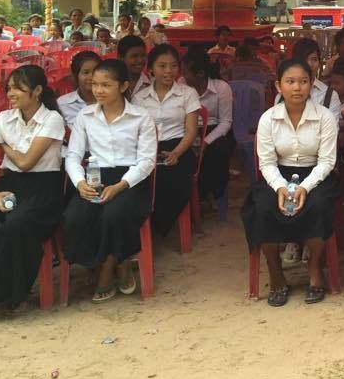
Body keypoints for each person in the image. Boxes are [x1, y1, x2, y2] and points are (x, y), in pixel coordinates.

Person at [241, 59, 339, 306]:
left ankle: (314, 268)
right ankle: (276, 275)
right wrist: (281, 187)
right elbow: (266, 162)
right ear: (278, 86)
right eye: (290, 81)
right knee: (262, 207)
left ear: (311, 85)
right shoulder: (268, 119)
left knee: (318, 205)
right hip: (278, 174)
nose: (297, 87)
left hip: (316, 174)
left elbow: (327, 161)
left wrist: (305, 187)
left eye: (303, 81)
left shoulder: (325, 117)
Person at [62, 60, 157, 302]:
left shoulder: (141, 117)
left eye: (106, 85)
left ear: (123, 86)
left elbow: (147, 161)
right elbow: (73, 156)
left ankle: (108, 270)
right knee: (75, 216)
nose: (98, 90)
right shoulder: (85, 116)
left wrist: (120, 186)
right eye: (95, 84)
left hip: (131, 179)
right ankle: (115, 263)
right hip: (95, 176)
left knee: (114, 215)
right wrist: (80, 183)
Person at [0, 65, 65, 309]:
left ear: (37, 91)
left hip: (43, 190)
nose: (11, 93)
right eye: (9, 88)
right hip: (9, 185)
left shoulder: (52, 119)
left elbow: (26, 163)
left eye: (18, 88)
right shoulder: (4, 118)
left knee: (18, 224)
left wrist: (3, 145)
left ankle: (7, 295)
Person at [132, 45, 200, 236]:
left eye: (173, 66)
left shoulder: (188, 93)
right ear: (151, 69)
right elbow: (135, 131)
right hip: (148, 147)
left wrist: (177, 153)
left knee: (172, 179)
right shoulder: (140, 97)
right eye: (162, 66)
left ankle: (159, 225)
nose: (168, 71)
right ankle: (145, 223)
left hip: (178, 145)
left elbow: (191, 131)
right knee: (139, 178)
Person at [181, 52, 234, 204]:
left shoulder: (221, 87)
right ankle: (191, 195)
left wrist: (205, 141)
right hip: (188, 127)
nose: (182, 76)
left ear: (200, 74)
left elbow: (226, 122)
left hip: (215, 129)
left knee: (217, 151)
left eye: (186, 72)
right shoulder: (182, 84)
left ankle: (211, 192)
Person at [58, 50, 102, 127]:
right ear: (76, 75)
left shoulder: (111, 102)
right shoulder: (63, 103)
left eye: (95, 72)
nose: (91, 77)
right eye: (86, 72)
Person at [117, 35, 150, 99]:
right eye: (134, 56)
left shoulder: (152, 83)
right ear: (120, 57)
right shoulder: (113, 83)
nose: (140, 60)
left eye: (143, 55)